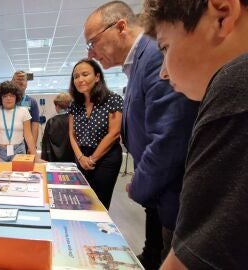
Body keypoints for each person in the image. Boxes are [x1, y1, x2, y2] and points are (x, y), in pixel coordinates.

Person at [84, 2, 199, 268]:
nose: (91, 54)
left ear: (120, 27)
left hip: (176, 194)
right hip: (161, 192)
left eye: (92, 42)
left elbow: (169, 136)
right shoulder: (138, 62)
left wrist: (140, 186)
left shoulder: (156, 54)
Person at [142, 0, 248, 269]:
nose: (164, 72)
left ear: (222, 16)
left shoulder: (235, 83)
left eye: (166, 47)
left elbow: (198, 258)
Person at [67, 59, 123, 209]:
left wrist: (92, 159)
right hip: (81, 155)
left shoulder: (113, 99)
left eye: (85, 74)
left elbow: (114, 133)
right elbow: (72, 134)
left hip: (106, 157)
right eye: (76, 76)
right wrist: (80, 157)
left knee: (99, 203)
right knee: (80, 201)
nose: (80, 79)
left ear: (97, 77)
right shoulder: (75, 104)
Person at [0, 81, 37, 161]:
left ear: (16, 97)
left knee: (18, 173)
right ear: (0, 97)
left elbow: (28, 135)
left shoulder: (23, 111)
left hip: (18, 151)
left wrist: (35, 157)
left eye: (11, 95)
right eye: (5, 96)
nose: (8, 98)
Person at [0, 71, 41, 148]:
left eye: (23, 80)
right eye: (18, 80)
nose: (21, 82)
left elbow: (35, 125)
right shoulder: (6, 99)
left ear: (27, 84)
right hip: (5, 142)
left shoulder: (31, 101)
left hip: (26, 142)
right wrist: (11, 82)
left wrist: (33, 146)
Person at [41, 92, 74, 162]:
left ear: (57, 106)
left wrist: (44, 159)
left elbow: (45, 143)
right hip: (71, 158)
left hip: (53, 159)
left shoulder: (51, 121)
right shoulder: (74, 120)